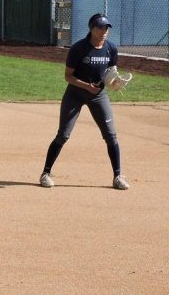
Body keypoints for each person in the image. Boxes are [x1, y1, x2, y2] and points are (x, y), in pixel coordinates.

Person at [40, 13, 129, 190]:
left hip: (98, 95)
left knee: (111, 135)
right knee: (63, 135)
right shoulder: (79, 48)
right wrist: (86, 86)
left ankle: (118, 176)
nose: (104, 31)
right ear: (91, 29)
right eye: (100, 27)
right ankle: (45, 173)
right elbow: (68, 76)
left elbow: (111, 71)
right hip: (75, 94)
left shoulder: (111, 48)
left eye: (106, 28)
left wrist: (114, 82)